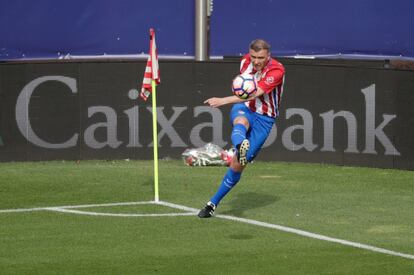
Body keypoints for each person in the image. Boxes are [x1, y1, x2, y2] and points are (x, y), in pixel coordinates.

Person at [198, 39, 286, 218]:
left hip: (265, 118)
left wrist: (223, 100)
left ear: (268, 55)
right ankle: (240, 144)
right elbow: (243, 90)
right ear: (249, 53)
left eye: (260, 57)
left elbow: (254, 93)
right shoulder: (245, 61)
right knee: (241, 121)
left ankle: (213, 202)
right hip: (246, 108)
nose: (256, 61)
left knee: (237, 165)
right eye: (253, 56)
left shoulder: (276, 70)